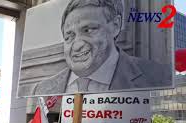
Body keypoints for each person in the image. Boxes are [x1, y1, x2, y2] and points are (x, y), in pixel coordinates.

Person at [33, 0, 171, 95]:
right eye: (69, 36)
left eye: (88, 30)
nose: (77, 45)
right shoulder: (42, 89)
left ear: (116, 26)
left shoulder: (158, 75)